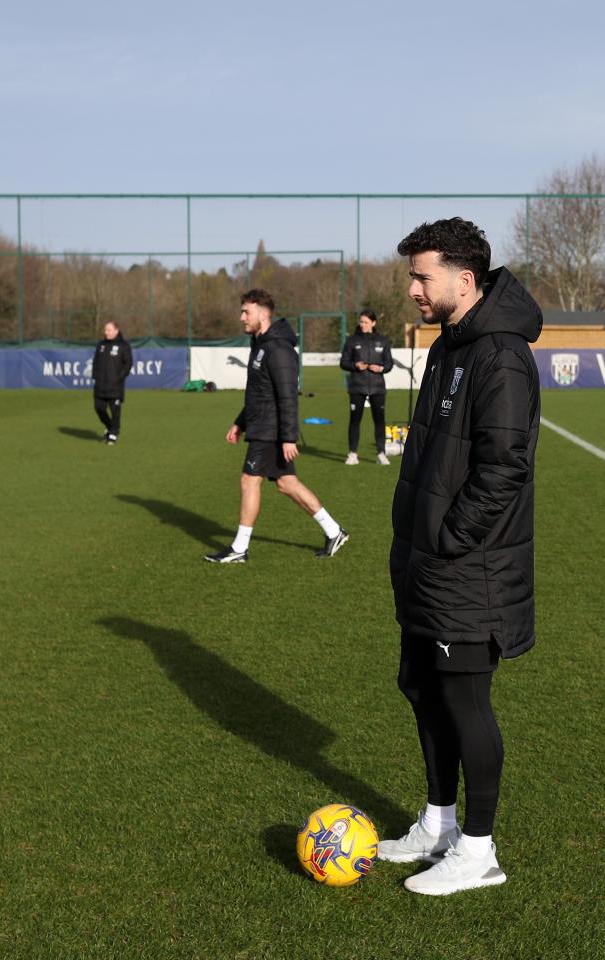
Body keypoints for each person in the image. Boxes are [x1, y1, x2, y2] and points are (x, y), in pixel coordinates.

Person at [378, 218, 542, 895]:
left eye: (422, 277)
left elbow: (504, 467)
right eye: (412, 276)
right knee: (421, 688)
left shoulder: (499, 355)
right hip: (428, 563)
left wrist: (450, 538)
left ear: (463, 280)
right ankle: (439, 823)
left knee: (465, 703)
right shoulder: (450, 345)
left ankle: (479, 851)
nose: (413, 289)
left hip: (468, 569)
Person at [204, 289, 349, 564]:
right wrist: (240, 422)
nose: (241, 317)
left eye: (246, 311)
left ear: (263, 313)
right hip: (261, 426)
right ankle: (334, 531)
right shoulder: (259, 344)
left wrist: (289, 437)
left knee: (249, 481)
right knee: (286, 483)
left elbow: (287, 395)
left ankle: (239, 548)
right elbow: (259, 393)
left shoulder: (278, 349)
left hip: (271, 431)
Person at [338, 309, 394, 465]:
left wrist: (381, 368)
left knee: (379, 421)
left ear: (373, 323)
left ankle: (381, 453)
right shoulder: (351, 340)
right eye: (361, 322)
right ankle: (352, 454)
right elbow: (343, 362)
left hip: (377, 387)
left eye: (366, 322)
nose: (362, 325)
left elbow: (389, 363)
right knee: (355, 420)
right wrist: (355, 365)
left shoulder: (383, 341)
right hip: (357, 386)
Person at [91, 321, 133, 444]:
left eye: (109, 330)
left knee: (115, 411)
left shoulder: (123, 346)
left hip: (115, 386)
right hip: (100, 385)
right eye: (105, 330)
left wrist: (119, 377)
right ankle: (110, 428)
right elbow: (95, 361)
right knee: (99, 409)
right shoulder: (101, 345)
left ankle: (114, 434)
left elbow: (128, 363)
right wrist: (95, 376)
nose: (106, 332)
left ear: (116, 330)